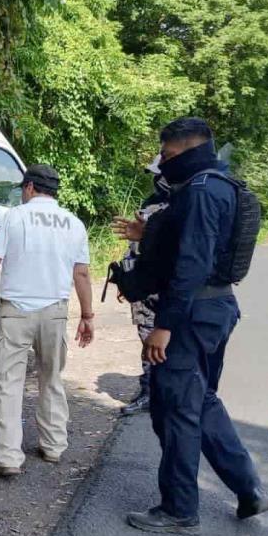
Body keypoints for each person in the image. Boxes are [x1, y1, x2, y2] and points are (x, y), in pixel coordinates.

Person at [125, 117, 268, 534]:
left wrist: (164, 325)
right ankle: (248, 488)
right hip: (215, 308)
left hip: (191, 315)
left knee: (177, 410)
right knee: (201, 399)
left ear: (188, 151)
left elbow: (192, 262)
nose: (163, 163)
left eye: (168, 156)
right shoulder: (220, 185)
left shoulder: (202, 192)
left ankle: (179, 509)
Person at [0, 164, 94, 477]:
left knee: (8, 382)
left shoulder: (15, 217)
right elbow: (82, 273)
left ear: (30, 187)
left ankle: (8, 457)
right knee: (51, 378)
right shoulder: (74, 224)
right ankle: (53, 446)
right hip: (55, 312)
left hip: (16, 311)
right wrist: (87, 316)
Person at [113, 157, 171, 416]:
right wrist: (127, 281)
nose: (156, 179)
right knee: (146, 336)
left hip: (161, 288)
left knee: (156, 339)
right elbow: (134, 247)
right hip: (144, 285)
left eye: (158, 174)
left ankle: (156, 392)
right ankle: (151, 390)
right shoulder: (152, 203)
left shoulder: (176, 208)